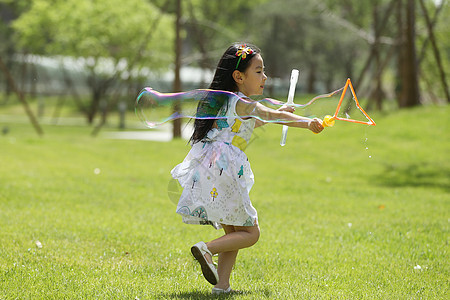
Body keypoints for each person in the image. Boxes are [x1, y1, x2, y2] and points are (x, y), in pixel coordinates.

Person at [171, 43, 323, 295]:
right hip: (226, 170)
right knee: (251, 233)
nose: (265, 77)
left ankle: (222, 286)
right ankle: (206, 249)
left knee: (234, 229)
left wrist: (276, 112)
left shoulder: (224, 101)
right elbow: (268, 115)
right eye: (259, 71)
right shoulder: (243, 102)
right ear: (239, 76)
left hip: (209, 167)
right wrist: (307, 122)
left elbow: (244, 125)